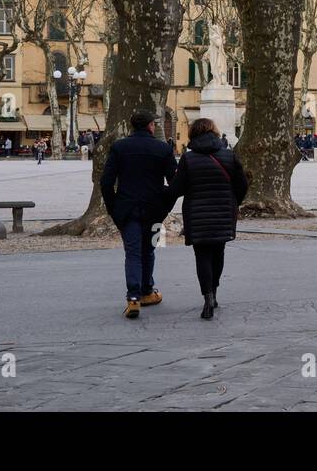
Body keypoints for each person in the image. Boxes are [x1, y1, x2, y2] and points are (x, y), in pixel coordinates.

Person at [166, 118, 247, 320]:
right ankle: (215, 292)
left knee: (202, 256)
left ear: (193, 134)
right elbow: (242, 185)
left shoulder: (188, 159)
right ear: (215, 132)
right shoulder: (229, 156)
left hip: (197, 215)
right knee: (218, 253)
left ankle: (207, 297)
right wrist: (233, 200)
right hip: (223, 213)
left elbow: (177, 189)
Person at [99, 111, 177, 319]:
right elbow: (174, 183)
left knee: (132, 253)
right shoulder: (163, 149)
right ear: (151, 126)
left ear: (132, 126)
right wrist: (166, 206)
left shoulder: (119, 147)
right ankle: (147, 291)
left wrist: (113, 207)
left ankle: (133, 298)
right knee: (150, 251)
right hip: (155, 212)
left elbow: (106, 182)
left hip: (127, 210)